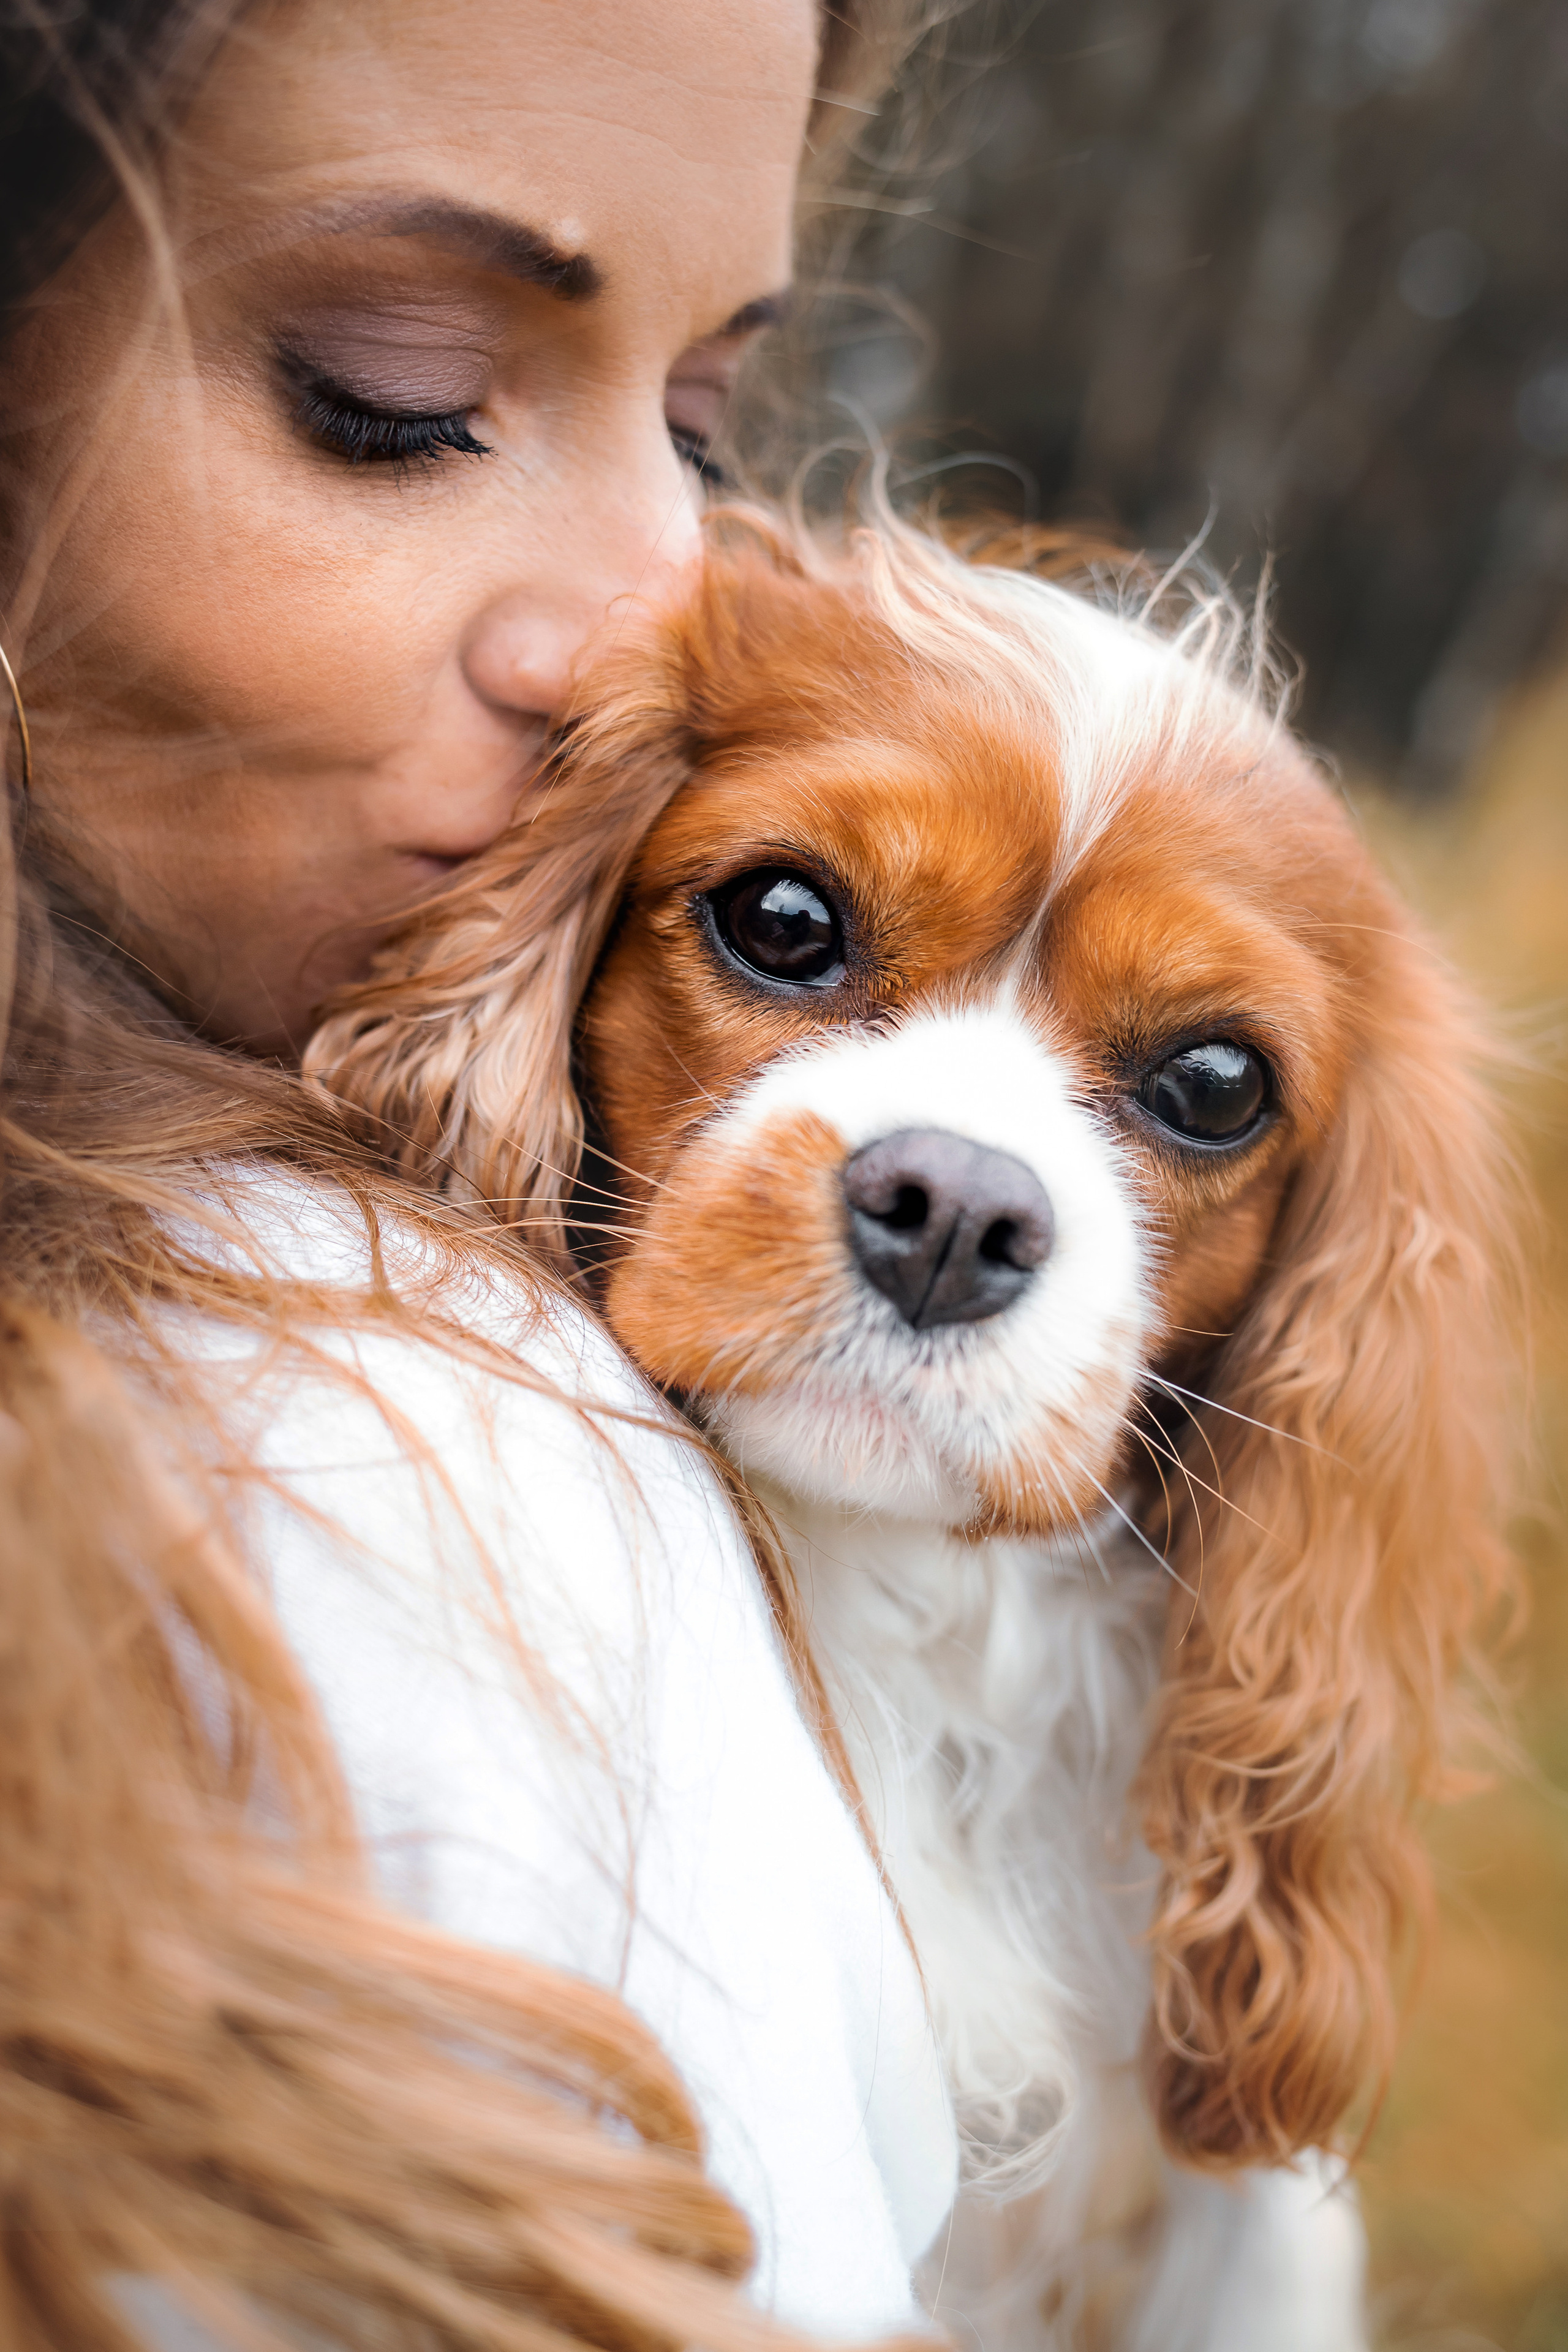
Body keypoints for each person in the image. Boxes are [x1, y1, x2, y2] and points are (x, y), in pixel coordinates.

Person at [0, 3, 959, 2346]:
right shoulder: (386, 1462)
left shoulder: (462, 1460)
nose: (678, 608)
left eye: (705, 418)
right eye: (399, 393)